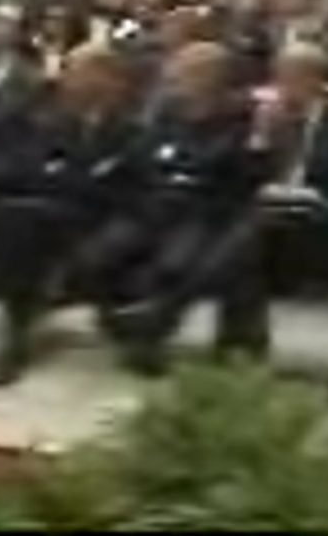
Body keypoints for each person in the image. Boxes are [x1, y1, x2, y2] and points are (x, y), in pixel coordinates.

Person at [0, 42, 148, 385]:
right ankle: (15, 332)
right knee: (13, 215)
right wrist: (71, 178)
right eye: (68, 72)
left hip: (112, 215)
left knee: (23, 218)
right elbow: (34, 169)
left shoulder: (133, 125)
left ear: (106, 77)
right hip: (58, 211)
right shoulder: (55, 121)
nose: (66, 80)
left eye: (77, 72)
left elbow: (128, 184)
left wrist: (68, 177)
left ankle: (19, 322)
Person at [101, 42, 257, 375]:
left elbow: (228, 171)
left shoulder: (240, 118)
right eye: (178, 71)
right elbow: (144, 155)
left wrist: (181, 168)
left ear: (215, 77)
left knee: (179, 261)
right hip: (154, 202)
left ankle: (149, 332)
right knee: (102, 252)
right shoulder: (169, 112)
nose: (176, 79)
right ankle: (127, 322)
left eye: (187, 72)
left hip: (207, 210)